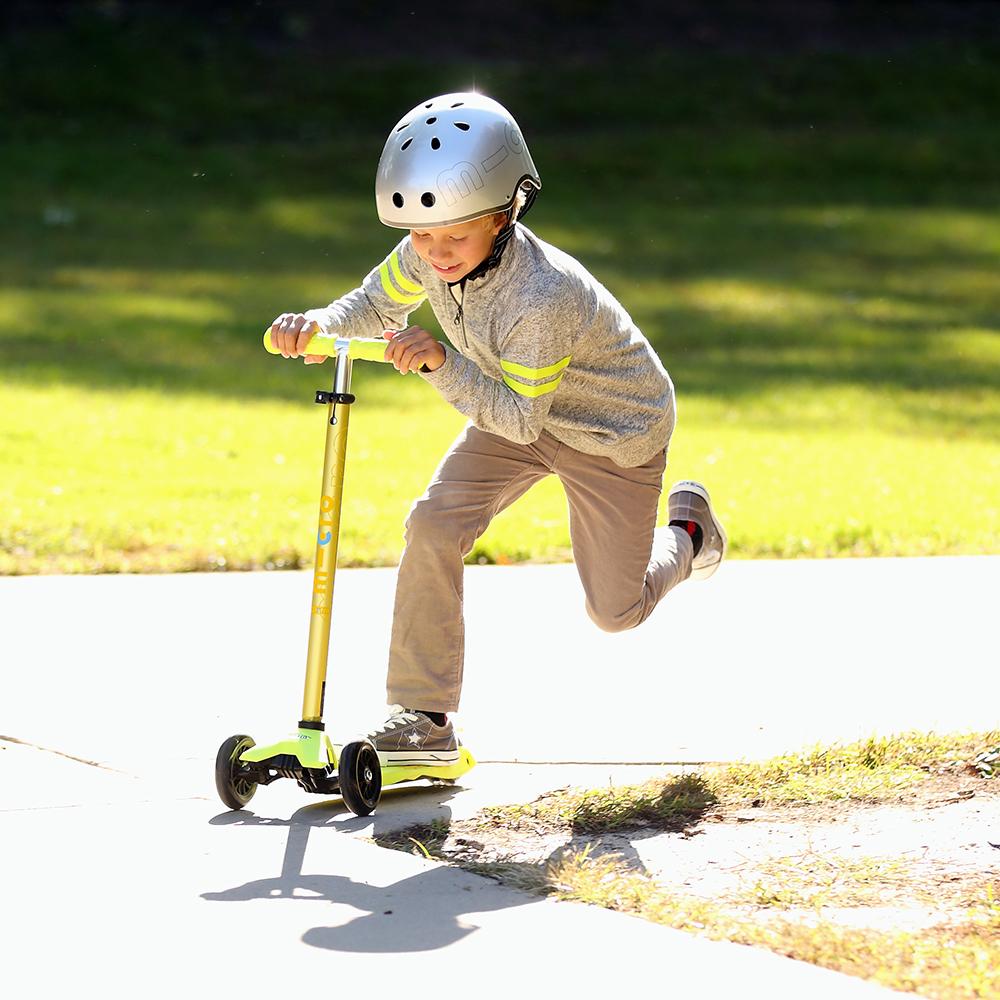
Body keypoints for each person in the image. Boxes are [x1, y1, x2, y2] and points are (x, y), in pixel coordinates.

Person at [267, 92, 726, 769]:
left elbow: (516, 417)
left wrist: (439, 362)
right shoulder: (427, 251)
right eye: (423, 237)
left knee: (615, 610)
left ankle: (690, 535)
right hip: (514, 404)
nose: (435, 253)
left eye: (454, 237)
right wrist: (315, 326)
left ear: (504, 215)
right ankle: (425, 720)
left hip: (611, 431)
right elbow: (371, 304)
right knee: (432, 523)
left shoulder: (540, 297)